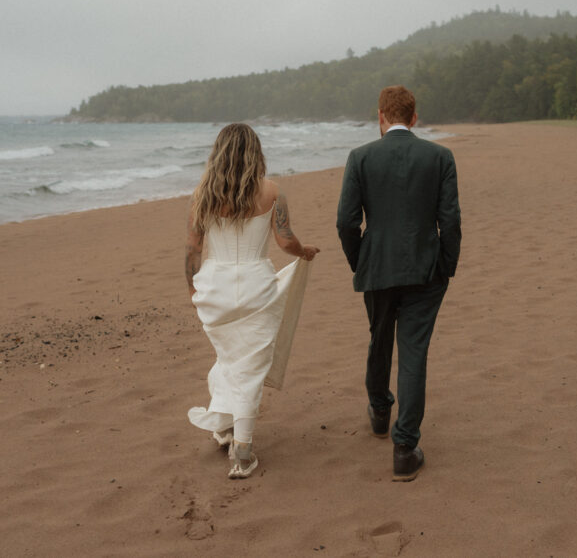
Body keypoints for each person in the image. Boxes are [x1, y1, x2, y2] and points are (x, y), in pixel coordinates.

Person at [336, 85, 461, 481]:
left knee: (379, 337)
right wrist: (446, 265)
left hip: (378, 267)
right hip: (425, 269)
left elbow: (346, 222)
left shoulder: (360, 157)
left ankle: (379, 410)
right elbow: (451, 221)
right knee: (413, 352)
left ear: (381, 117)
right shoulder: (439, 156)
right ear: (414, 117)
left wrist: (362, 261)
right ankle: (404, 447)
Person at [185, 123, 319, 479]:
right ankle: (241, 453)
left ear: (218, 152)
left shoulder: (202, 195)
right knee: (249, 366)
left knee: (231, 358)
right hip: (257, 287)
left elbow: (193, 251)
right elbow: (286, 241)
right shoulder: (272, 191)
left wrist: (193, 292)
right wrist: (305, 251)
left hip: (216, 288)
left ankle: (225, 426)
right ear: (255, 152)